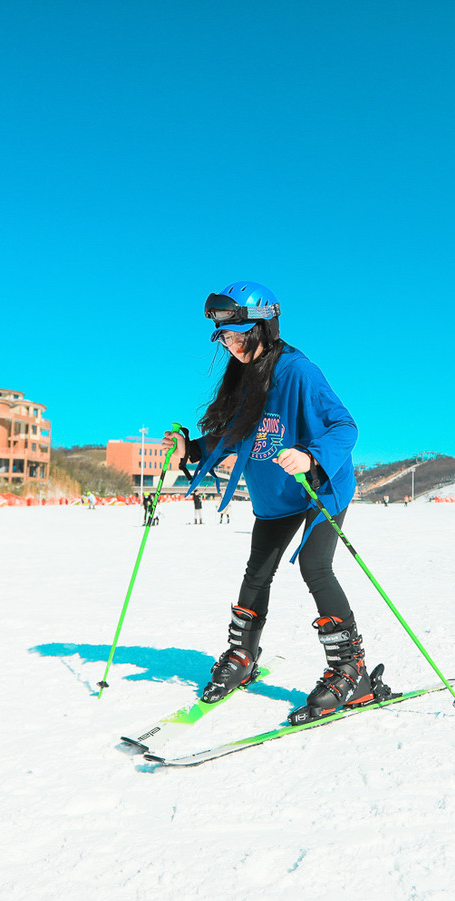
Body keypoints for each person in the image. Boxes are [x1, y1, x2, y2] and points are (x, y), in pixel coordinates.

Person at [164, 281, 382, 725]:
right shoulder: (245, 378)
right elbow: (233, 434)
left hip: (318, 485)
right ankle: (243, 655)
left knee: (315, 566)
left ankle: (351, 671)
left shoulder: (298, 371)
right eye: (224, 338)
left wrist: (311, 456)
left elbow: (345, 426)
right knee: (257, 571)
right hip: (276, 493)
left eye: (237, 335)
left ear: (262, 327)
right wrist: (193, 449)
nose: (230, 345)